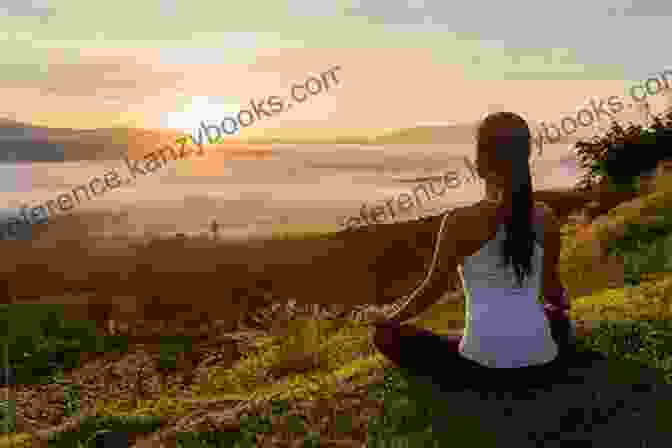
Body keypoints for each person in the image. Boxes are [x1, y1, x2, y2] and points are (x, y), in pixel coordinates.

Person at [370, 112, 593, 391]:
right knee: (557, 321)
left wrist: (390, 319)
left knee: (386, 336)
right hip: (543, 362)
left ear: (479, 163)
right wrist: (558, 307)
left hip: (481, 368)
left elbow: (434, 288)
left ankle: (473, 342)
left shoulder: (458, 222)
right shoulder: (545, 217)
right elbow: (553, 291)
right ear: (525, 158)